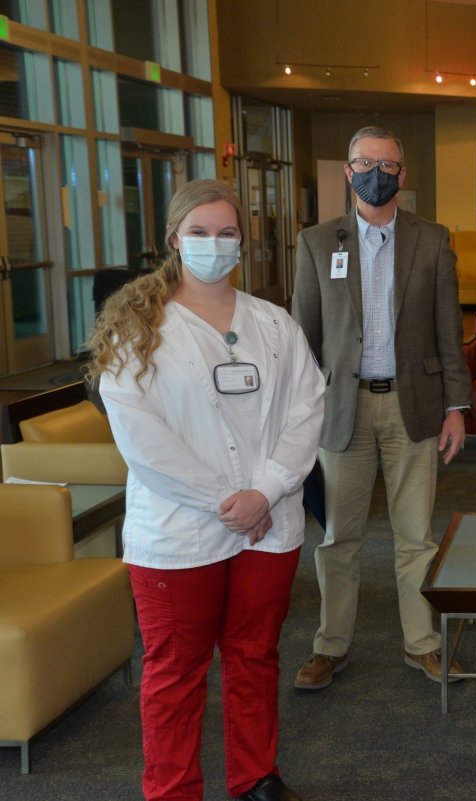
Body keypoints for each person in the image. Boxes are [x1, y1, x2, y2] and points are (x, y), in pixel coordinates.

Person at [90, 180, 324, 801]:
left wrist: (264, 492)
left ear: (243, 243)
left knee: (255, 657)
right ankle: (172, 791)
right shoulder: (137, 329)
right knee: (175, 671)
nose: (212, 244)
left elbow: (307, 412)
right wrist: (232, 501)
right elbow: (144, 440)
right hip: (180, 528)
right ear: (174, 240)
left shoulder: (274, 324)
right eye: (198, 232)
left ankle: (255, 777)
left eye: (226, 233)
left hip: (267, 525)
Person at [291, 126, 472, 689]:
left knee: (415, 537)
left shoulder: (433, 239)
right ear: (348, 172)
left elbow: (449, 330)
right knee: (338, 539)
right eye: (366, 163)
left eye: (389, 165)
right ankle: (331, 646)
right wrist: (303, 411)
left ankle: (421, 644)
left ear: (402, 173)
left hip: (412, 406)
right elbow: (304, 337)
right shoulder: (317, 243)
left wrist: (458, 406)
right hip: (341, 410)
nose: (378, 173)